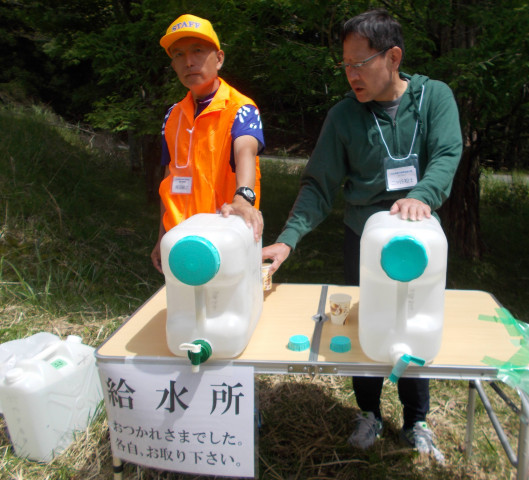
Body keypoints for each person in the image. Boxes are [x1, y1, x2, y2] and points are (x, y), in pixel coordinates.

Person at [262, 9, 462, 460]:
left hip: (417, 240)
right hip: (364, 239)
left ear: (393, 57)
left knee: (415, 323)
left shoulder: (434, 98)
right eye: (345, 64)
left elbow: (447, 155)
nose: (351, 74)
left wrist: (422, 195)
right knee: (366, 323)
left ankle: (416, 420)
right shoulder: (344, 116)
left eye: (360, 63)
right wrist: (288, 238)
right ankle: (368, 411)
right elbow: (319, 184)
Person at [151, 14, 265, 273]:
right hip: (179, 242)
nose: (188, 62)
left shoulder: (241, 109)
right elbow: (170, 177)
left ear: (219, 58)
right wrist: (161, 236)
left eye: (198, 51)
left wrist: (243, 199)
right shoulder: (173, 115)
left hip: (224, 239)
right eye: (179, 54)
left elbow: (246, 153)